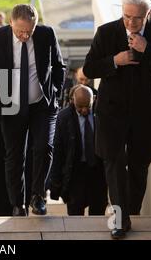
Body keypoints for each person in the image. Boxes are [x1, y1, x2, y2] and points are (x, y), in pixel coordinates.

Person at [83, 0, 151, 239]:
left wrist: (147, 49)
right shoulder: (106, 32)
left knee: (139, 164)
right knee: (113, 162)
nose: (131, 23)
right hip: (112, 110)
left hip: (145, 111)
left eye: (137, 18)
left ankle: (129, 214)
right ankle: (119, 217)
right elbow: (90, 67)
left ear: (149, 14)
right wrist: (115, 61)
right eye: (126, 16)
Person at [0, 4, 66, 216]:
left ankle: (37, 196)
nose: (25, 35)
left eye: (30, 31)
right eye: (20, 31)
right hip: (11, 105)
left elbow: (59, 66)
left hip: (41, 105)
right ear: (11, 23)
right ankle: (17, 204)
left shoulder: (46, 34)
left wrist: (55, 92)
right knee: (15, 156)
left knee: (44, 148)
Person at [49, 85, 108, 216]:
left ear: (94, 99)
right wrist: (55, 183)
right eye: (80, 107)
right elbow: (58, 151)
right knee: (75, 215)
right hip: (75, 173)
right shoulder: (64, 118)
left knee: (98, 212)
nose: (84, 110)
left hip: (98, 172)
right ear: (72, 102)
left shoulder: (102, 113)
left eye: (88, 106)